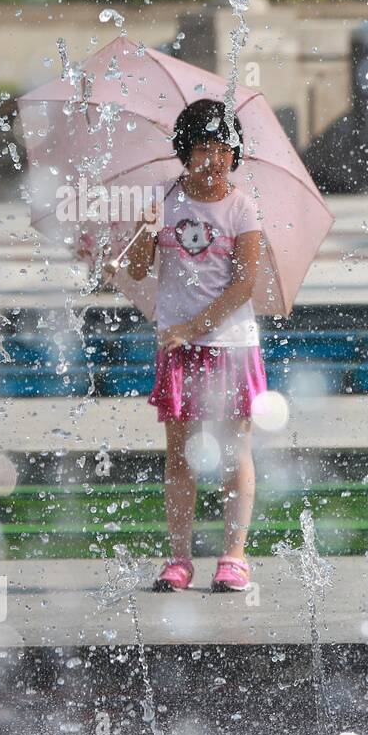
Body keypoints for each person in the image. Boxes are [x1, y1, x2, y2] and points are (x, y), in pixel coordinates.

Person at [125, 98, 266, 593]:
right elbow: (139, 269)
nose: (214, 159)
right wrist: (144, 232)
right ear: (186, 151)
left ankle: (234, 555)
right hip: (177, 347)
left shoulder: (241, 207)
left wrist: (196, 326)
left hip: (230, 345)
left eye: (223, 148)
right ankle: (180, 557)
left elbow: (245, 285)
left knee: (234, 451)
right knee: (180, 454)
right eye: (203, 148)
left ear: (236, 153)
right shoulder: (164, 201)